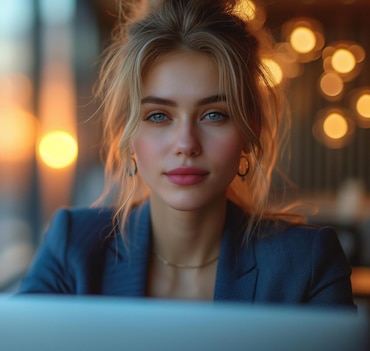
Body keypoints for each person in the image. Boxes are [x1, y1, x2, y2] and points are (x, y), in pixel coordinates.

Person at [18, 0, 354, 307]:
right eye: (158, 116)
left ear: (248, 132)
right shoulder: (72, 247)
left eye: (214, 115)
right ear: (127, 133)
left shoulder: (306, 263)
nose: (186, 143)